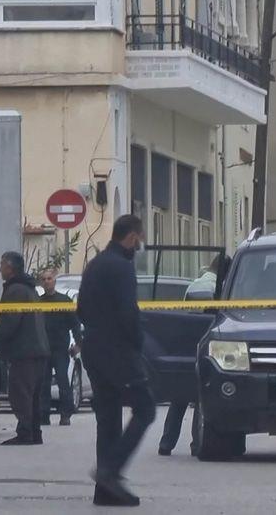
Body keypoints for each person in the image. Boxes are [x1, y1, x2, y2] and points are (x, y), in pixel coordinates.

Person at [78, 215, 156, 507]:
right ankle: (110, 471)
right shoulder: (122, 268)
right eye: (140, 239)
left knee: (108, 417)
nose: (140, 245)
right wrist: (137, 344)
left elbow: (81, 309)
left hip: (93, 348)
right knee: (145, 409)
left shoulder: (95, 264)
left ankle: (105, 491)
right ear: (132, 237)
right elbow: (128, 313)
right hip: (117, 351)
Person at [158, 255, 230, 457]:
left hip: (185, 344)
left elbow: (184, 314)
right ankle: (197, 443)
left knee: (179, 396)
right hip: (206, 344)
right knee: (201, 397)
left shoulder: (194, 285)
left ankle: (166, 443)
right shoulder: (220, 288)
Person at [0, 252, 50, 446]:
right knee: (33, 395)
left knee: (20, 393)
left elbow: (10, 321)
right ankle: (34, 432)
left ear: (10, 268)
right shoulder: (29, 289)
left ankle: (25, 433)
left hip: (25, 352)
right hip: (38, 350)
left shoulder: (15, 291)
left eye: (1, 265)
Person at [38, 269, 82, 427]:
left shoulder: (64, 301)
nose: (46, 281)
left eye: (49, 278)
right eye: (44, 279)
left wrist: (78, 344)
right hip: (43, 349)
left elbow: (75, 324)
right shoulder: (38, 302)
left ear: (54, 281)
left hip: (61, 349)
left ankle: (65, 415)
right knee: (43, 383)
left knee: (63, 381)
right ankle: (43, 415)